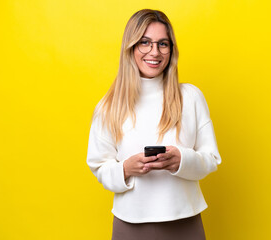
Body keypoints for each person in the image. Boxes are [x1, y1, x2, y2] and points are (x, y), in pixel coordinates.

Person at [86, 9, 221, 240]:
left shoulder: (191, 97)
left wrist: (181, 160)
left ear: (171, 49)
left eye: (163, 44)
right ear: (130, 47)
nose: (154, 52)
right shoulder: (108, 106)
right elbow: (99, 166)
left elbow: (211, 159)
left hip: (185, 222)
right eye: (145, 42)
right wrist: (126, 169)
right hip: (130, 224)